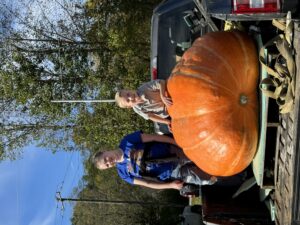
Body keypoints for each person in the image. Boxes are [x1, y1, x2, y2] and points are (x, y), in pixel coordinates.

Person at [92, 131, 217, 191]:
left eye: (105, 159)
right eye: (107, 165)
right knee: (206, 178)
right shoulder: (123, 174)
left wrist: (176, 143)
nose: (109, 162)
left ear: (105, 151)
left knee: (205, 155)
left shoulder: (127, 141)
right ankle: (227, 176)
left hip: (174, 152)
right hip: (173, 174)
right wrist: (171, 185)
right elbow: (148, 183)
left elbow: (154, 137)